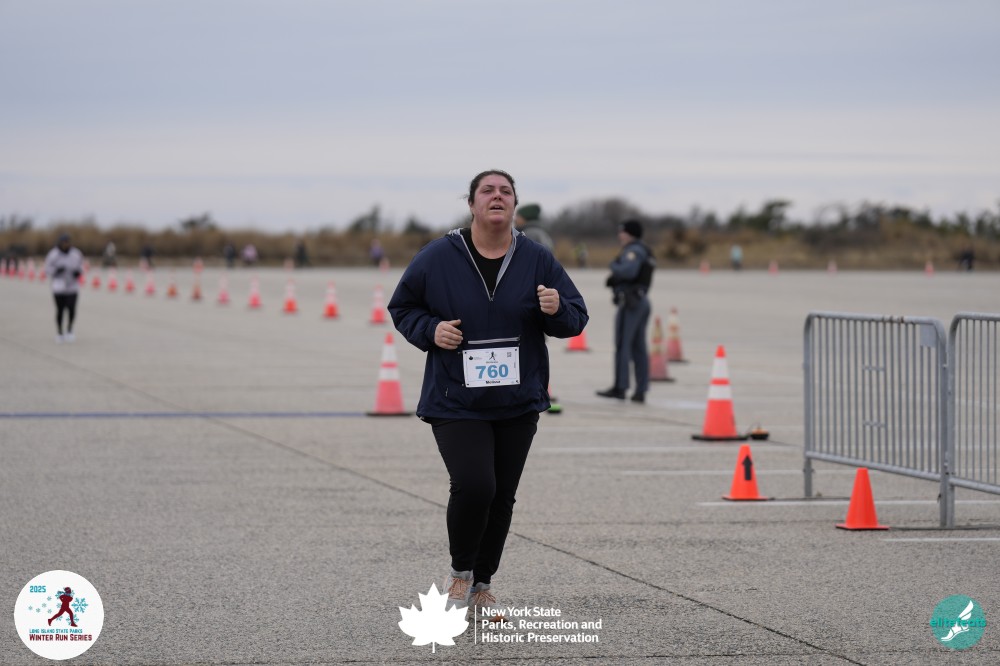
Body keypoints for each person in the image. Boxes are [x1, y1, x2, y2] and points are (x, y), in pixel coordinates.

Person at [388, 169, 588, 620]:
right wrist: (430, 329)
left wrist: (557, 309)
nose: (497, 197)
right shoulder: (439, 256)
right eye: (487, 191)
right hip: (455, 398)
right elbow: (403, 306)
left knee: (502, 496)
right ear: (472, 203)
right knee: (476, 484)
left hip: (517, 400)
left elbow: (576, 317)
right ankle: (460, 572)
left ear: (514, 203)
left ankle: (483, 583)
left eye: (505, 191)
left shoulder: (536, 258)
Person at [596, 219, 655, 403]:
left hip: (631, 304)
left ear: (630, 234)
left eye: (622, 232)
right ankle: (641, 390)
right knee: (639, 348)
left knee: (623, 345)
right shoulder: (643, 249)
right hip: (639, 301)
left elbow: (629, 272)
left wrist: (614, 266)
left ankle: (620, 387)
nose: (620, 235)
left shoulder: (633, 251)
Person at [44, 233, 85, 343]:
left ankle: (70, 330)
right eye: (64, 242)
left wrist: (78, 272)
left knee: (71, 309)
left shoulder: (76, 253)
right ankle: (60, 332)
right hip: (58, 286)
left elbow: (82, 266)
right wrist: (56, 271)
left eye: (67, 242)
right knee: (60, 310)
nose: (66, 244)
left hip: (72, 286)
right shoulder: (53, 254)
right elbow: (47, 269)